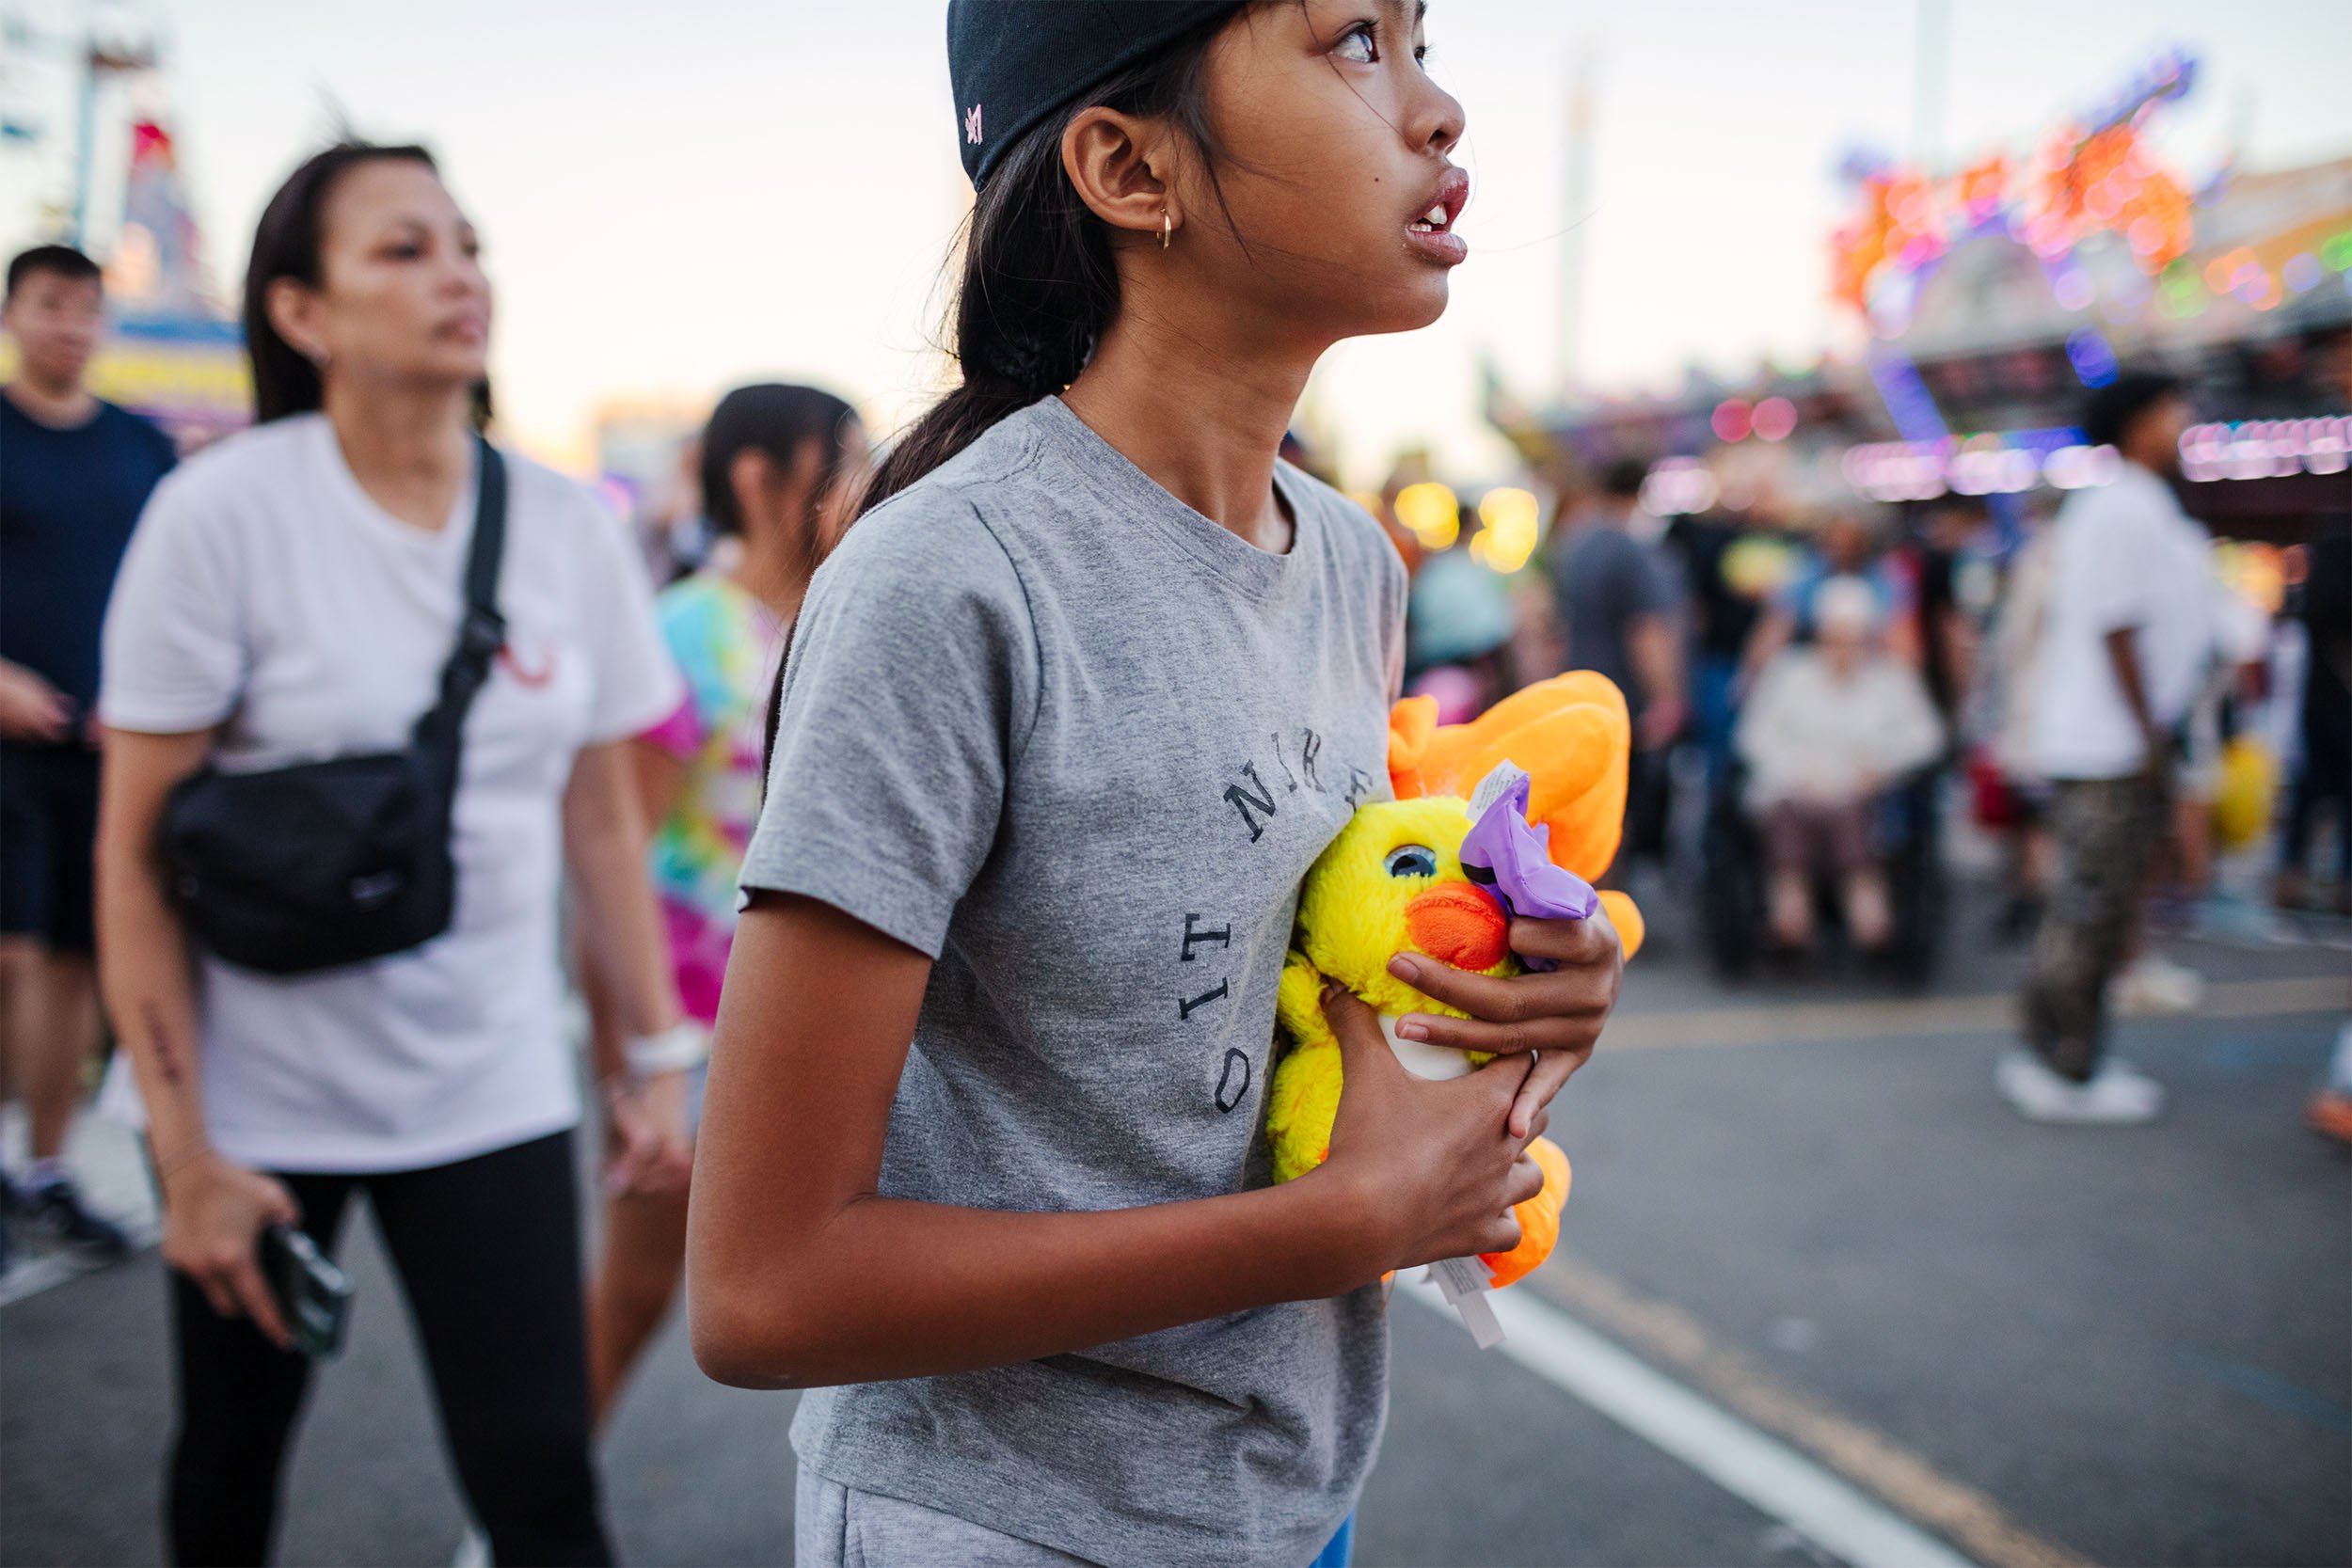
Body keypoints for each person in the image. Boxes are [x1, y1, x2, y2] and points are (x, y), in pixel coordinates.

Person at [686, 8, 1625, 1567]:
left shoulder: (1346, 562)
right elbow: (764, 1286)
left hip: (1286, 1498)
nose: (1439, 108)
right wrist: (1335, 1229)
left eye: (1420, 39)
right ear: (1130, 166)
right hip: (994, 1519)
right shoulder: (950, 579)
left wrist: (1508, 984)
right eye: (1352, 44)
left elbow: (1277, 979)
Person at [93, 141, 692, 1566]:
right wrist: (184, 1154)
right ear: (301, 313)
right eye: (403, 249)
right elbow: (131, 856)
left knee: (543, 1478)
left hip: (482, 1089)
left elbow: (601, 816)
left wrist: (651, 1060)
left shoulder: (563, 525)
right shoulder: (219, 515)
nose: (458, 274)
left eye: (467, 242)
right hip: (253, 1104)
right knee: (228, 1474)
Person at [584, 382, 869, 1426]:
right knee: (637, 1292)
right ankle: (519, 1521)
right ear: (758, 478)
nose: (863, 481)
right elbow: (617, 856)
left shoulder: (842, 616)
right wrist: (629, 1059)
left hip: (816, 1025)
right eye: (841, 460)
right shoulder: (685, 630)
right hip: (693, 1037)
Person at [0, 244, 175, 1267]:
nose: (70, 323)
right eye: (50, 304)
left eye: (86, 307)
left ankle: (46, 1172)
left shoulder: (140, 449)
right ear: (17, 313)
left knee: (72, 963)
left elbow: (174, 597)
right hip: (6, 750)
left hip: (102, 749)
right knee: (9, 953)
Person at [2001, 372, 2214, 1125]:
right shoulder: (2121, 505)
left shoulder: (2133, 504)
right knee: (2089, 906)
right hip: (2109, 744)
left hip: (2118, 738)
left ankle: (2066, 1053)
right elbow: (2118, 627)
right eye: (2169, 412)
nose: (2183, 424)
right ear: (2136, 424)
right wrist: (2151, 734)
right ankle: (2063, 1060)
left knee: (2098, 903)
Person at [1734, 577, 1943, 953]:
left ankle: (1869, 919)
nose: (1843, 648)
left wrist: (1880, 768)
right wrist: (1796, 775)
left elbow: (1925, 738)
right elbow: (1755, 738)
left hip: (1864, 795)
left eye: (1853, 638)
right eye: (1835, 637)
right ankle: (1791, 917)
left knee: (1854, 817)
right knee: (1786, 816)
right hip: (1795, 790)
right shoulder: (1788, 674)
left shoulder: (1891, 679)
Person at [1551, 457, 1685, 872]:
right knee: (1620, 813)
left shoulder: (1574, 548)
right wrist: (1666, 698)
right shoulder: (1630, 550)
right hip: (1623, 700)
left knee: (1589, 812)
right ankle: (1615, 913)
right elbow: (1645, 632)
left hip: (1579, 692)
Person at [2276, 523, 2349, 917]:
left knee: (2309, 790)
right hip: (2330, 700)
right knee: (2323, 791)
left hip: (2317, 700)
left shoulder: (2325, 559)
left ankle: (2293, 872)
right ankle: (2335, 881)